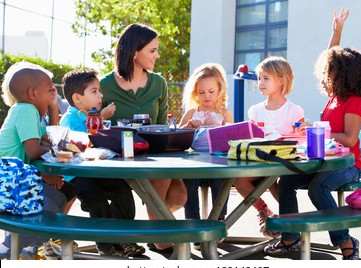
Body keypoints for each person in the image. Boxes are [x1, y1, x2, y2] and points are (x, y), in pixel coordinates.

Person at [264, 9, 361, 260]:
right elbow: (330, 56)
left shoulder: (354, 101)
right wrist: (336, 31)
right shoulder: (333, 98)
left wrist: (321, 130)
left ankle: (346, 242)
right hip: (325, 161)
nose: (325, 76)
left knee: (318, 188)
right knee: (287, 183)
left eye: (330, 72)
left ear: (343, 75)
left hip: (348, 165)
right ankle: (290, 237)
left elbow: (348, 139)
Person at [100, 22, 187, 253]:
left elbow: (160, 125)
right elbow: (92, 124)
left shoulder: (159, 83)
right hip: (119, 158)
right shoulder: (103, 86)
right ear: (134, 51)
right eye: (152, 50)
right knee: (159, 183)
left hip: (153, 154)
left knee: (180, 196)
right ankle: (161, 240)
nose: (157, 55)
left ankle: (153, 225)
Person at [60, 68, 145, 258]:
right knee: (97, 200)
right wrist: (101, 117)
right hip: (78, 173)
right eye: (94, 91)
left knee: (122, 189)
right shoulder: (71, 118)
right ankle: (106, 244)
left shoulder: (89, 114)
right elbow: (82, 140)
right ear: (77, 98)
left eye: (100, 90)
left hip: (95, 169)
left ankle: (124, 236)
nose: (101, 95)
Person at [0, 65, 68, 260]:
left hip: (17, 179)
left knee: (59, 198)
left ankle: (28, 247)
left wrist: (53, 107)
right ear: (32, 93)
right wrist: (57, 153)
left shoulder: (34, 115)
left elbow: (50, 140)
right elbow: (34, 150)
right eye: (50, 90)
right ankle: (8, 248)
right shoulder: (25, 110)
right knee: (47, 204)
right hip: (6, 181)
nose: (53, 94)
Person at [233, 56, 304, 238]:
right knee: (239, 180)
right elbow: (250, 137)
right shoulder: (255, 110)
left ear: (281, 80)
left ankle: (293, 227)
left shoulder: (294, 110)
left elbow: (300, 140)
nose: (260, 83)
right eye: (259, 78)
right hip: (260, 161)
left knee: (277, 184)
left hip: (285, 163)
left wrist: (303, 132)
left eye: (266, 78)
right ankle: (264, 211)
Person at [178, 63, 233, 248]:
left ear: (219, 90)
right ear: (195, 93)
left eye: (211, 91)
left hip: (217, 162)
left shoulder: (224, 113)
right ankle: (192, 223)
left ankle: (218, 221)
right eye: (201, 93)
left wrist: (219, 128)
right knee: (189, 181)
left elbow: (231, 138)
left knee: (221, 179)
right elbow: (177, 136)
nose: (206, 96)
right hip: (194, 163)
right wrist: (187, 128)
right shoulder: (192, 112)